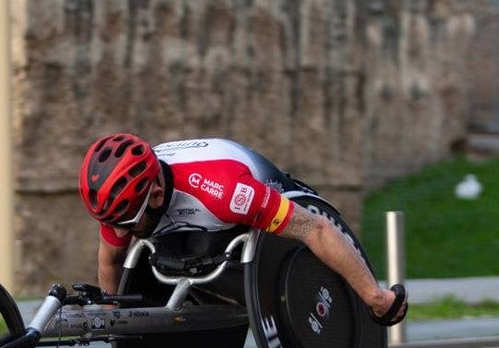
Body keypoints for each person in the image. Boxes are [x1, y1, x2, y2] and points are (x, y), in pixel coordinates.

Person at [79, 133, 409, 326]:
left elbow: (316, 228)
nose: (119, 230)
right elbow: (110, 259)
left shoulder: (226, 194)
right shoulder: (125, 202)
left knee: (300, 228)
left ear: (156, 194)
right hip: (193, 226)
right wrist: (114, 320)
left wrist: (376, 298)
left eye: (126, 223)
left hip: (248, 200)